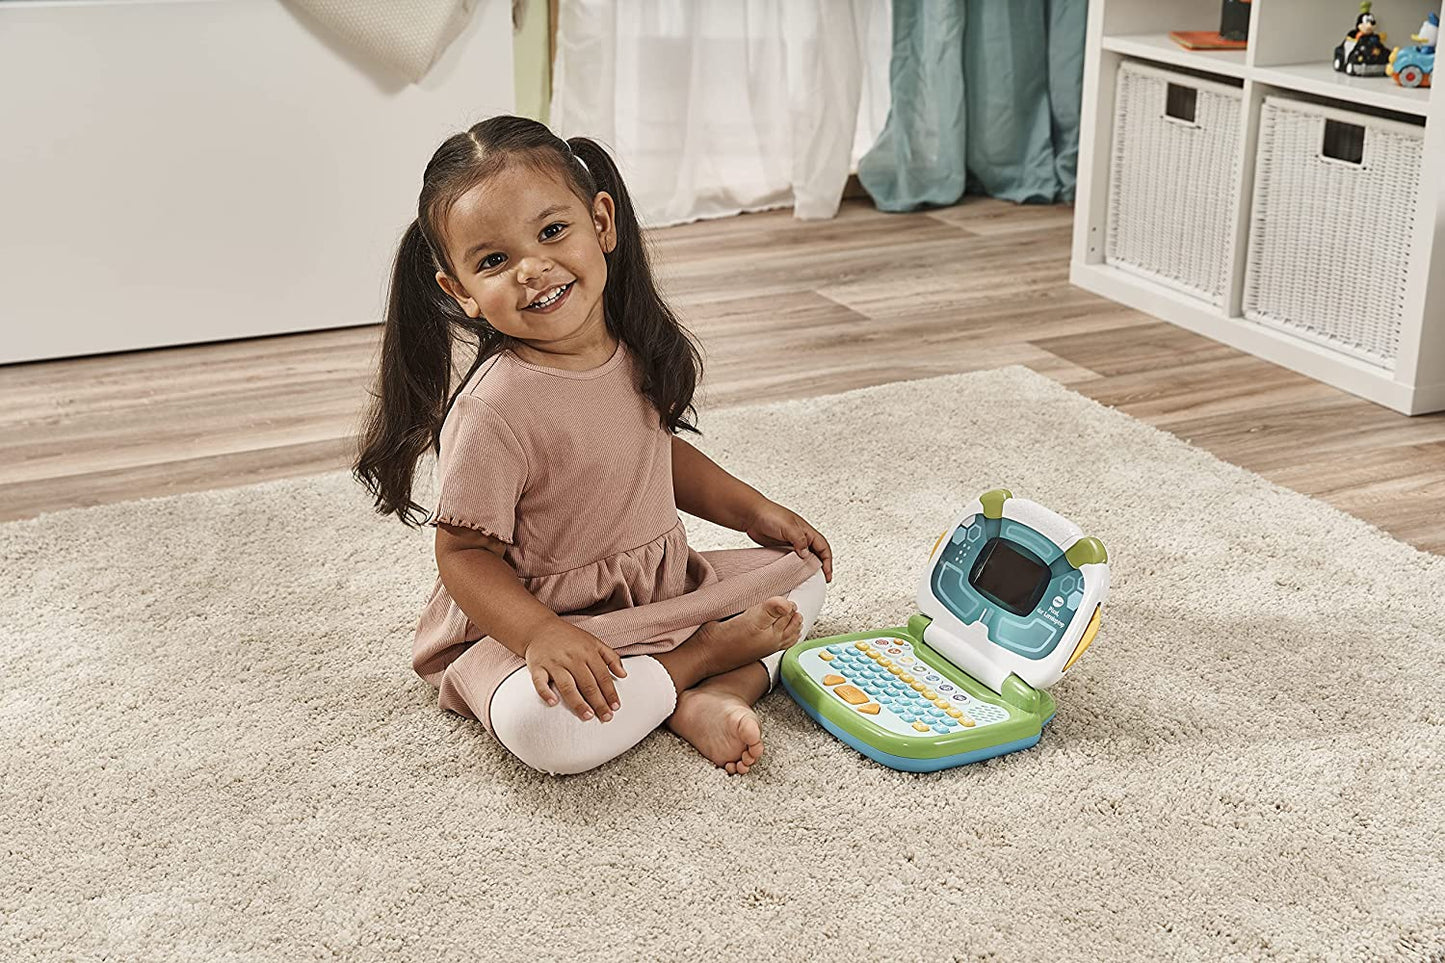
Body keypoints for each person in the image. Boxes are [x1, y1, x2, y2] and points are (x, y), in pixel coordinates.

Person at [353, 115, 832, 776]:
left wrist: (753, 511)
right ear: (461, 292)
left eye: (552, 231)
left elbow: (654, 454)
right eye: (493, 261)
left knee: (806, 574)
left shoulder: (631, 345)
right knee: (544, 729)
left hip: (653, 596)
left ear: (601, 223)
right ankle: (700, 664)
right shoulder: (494, 407)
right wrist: (540, 634)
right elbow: (463, 555)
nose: (532, 268)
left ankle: (712, 691)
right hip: (543, 623)